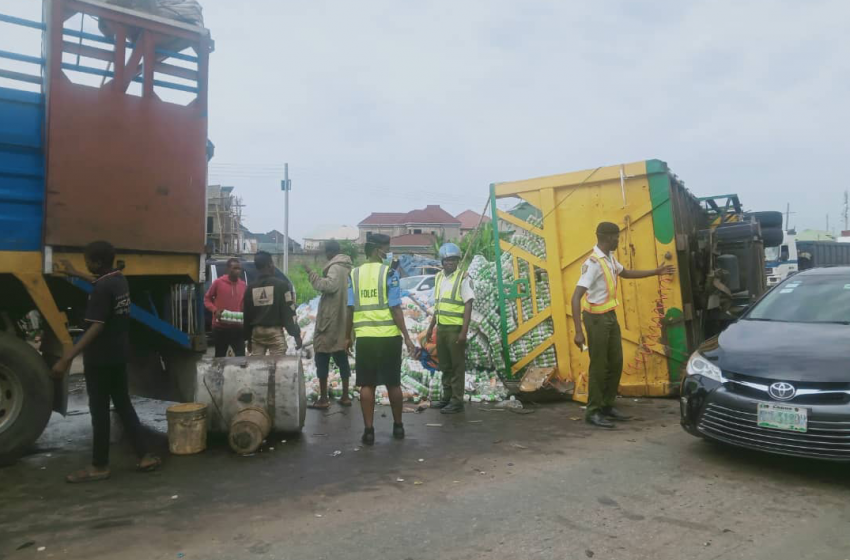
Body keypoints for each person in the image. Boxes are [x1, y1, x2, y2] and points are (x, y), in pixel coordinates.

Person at [51, 241, 160, 482]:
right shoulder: (119, 280)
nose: (86, 264)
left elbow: (96, 326)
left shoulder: (102, 288)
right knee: (123, 405)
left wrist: (67, 358)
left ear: (97, 262)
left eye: (87, 261)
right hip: (118, 355)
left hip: (99, 360)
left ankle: (99, 466)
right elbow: (100, 285)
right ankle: (144, 456)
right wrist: (74, 273)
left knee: (99, 411)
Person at [571, 222, 675, 428]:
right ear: (607, 237)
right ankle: (593, 411)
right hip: (596, 320)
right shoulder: (592, 263)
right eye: (616, 237)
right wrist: (578, 331)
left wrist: (656, 271)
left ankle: (607, 405)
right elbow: (576, 298)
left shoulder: (609, 258)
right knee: (600, 366)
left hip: (609, 317)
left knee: (616, 362)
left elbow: (625, 273)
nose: (618, 240)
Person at [345, 234, 416, 445]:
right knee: (393, 383)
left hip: (365, 338)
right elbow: (395, 308)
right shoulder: (389, 273)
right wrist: (407, 337)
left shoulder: (354, 274)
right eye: (387, 248)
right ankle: (398, 427)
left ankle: (368, 431)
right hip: (388, 338)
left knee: (367, 385)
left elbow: (350, 308)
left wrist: (347, 336)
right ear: (377, 250)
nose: (388, 253)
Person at [305, 241, 354, 409]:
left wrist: (312, 274)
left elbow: (327, 286)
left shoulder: (335, 268)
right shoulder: (347, 268)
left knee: (322, 357)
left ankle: (324, 398)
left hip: (329, 322)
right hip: (341, 320)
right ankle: (346, 396)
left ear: (329, 253)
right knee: (341, 357)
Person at [427, 242, 475, 414]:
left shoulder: (463, 278)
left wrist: (463, 332)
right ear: (441, 261)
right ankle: (446, 397)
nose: (450, 263)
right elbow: (438, 305)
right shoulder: (439, 277)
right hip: (441, 329)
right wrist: (430, 328)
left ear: (458, 261)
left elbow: (468, 304)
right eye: (447, 260)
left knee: (456, 366)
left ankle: (457, 401)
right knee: (445, 365)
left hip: (455, 329)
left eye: (454, 260)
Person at [243, 251, 302, 355]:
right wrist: (296, 335)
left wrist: (248, 339)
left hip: (257, 333)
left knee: (257, 366)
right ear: (270, 264)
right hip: (274, 333)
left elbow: (247, 315)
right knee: (278, 366)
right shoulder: (281, 285)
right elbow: (288, 312)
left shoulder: (250, 288)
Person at [204, 257, 247, 357]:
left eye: (239, 269)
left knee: (241, 356)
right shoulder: (218, 283)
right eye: (235, 268)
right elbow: (207, 299)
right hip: (220, 328)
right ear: (228, 269)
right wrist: (215, 310)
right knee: (220, 356)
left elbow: (245, 304)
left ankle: (239, 372)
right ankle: (219, 373)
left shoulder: (243, 285)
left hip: (237, 328)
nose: (237, 271)